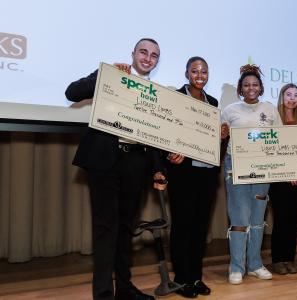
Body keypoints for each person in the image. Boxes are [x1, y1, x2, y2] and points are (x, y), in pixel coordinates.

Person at [65, 38, 166, 300]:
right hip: (104, 161)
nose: (147, 58)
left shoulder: (156, 93)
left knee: (125, 229)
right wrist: (105, 76)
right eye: (143, 52)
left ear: (157, 61)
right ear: (132, 54)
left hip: (135, 162)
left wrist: (157, 169)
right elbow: (71, 92)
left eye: (154, 55)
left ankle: (124, 287)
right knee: (105, 229)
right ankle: (102, 293)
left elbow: (153, 135)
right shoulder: (110, 75)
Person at [165, 56, 225, 298]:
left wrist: (222, 136)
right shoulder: (177, 98)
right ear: (186, 73)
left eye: (204, 71)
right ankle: (181, 279)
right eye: (195, 71)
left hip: (207, 173)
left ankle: (196, 277)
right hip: (183, 173)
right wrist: (169, 152)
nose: (200, 75)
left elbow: (210, 139)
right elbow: (166, 130)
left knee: (200, 228)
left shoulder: (213, 101)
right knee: (183, 226)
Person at [221, 64, 283, 284]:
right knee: (239, 218)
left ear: (261, 87)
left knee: (257, 218)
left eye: (255, 84)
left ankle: (255, 264)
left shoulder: (270, 109)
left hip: (263, 168)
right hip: (235, 167)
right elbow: (219, 138)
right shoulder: (229, 110)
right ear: (240, 87)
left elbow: (280, 138)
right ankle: (236, 267)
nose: (251, 88)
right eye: (246, 85)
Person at [268, 83, 297, 275]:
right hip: (279, 178)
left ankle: (290, 258)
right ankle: (277, 259)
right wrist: (288, 172)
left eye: (296, 95)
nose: (292, 98)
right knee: (281, 218)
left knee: (293, 219)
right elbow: (272, 150)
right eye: (288, 95)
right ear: (282, 97)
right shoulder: (274, 119)